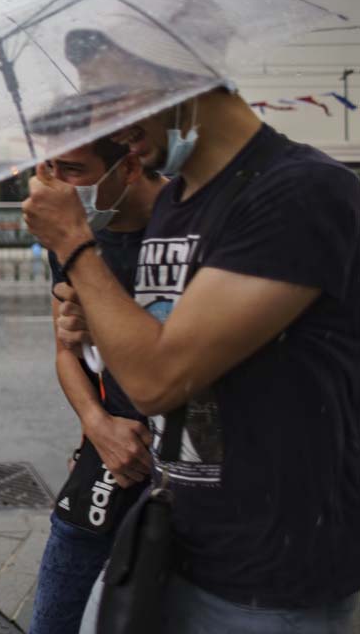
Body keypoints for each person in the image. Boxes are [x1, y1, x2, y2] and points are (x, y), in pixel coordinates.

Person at [23, 39, 360, 629]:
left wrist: (76, 246)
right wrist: (92, 343)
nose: (107, 123)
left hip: (268, 572)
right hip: (170, 538)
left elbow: (158, 378)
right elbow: (140, 349)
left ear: (172, 76)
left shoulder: (301, 191)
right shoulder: (179, 204)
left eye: (111, 100)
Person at [27, 135, 166, 634]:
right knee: (55, 612)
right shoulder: (68, 231)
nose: (58, 186)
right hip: (107, 452)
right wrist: (96, 424)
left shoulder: (189, 225)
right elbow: (65, 351)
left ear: (128, 166)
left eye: (74, 170)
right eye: (49, 169)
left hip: (184, 462)